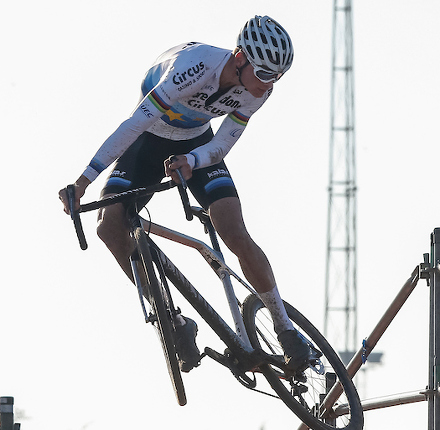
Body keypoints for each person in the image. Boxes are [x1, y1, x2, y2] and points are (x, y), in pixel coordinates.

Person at [59, 16, 311, 373]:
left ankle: (285, 329)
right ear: (240, 58)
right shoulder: (192, 68)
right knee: (109, 228)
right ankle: (172, 322)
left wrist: (192, 159)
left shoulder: (259, 90)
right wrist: (84, 180)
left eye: (278, 77)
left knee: (233, 229)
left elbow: (223, 143)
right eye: (266, 74)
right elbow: (133, 125)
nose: (270, 85)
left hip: (196, 142)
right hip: (147, 138)